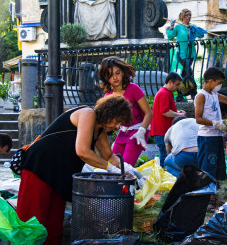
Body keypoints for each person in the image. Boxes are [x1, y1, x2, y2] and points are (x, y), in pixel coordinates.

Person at [17, 95, 138, 245]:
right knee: (32, 222)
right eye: (117, 120)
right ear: (109, 112)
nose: (117, 126)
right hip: (39, 168)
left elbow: (109, 156)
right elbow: (82, 151)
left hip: (58, 177)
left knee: (53, 227)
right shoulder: (88, 114)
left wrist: (127, 169)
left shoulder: (99, 130)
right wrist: (111, 169)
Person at [99, 56, 153, 166]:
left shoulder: (133, 88)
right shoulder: (107, 96)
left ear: (123, 72)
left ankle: (128, 183)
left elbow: (149, 113)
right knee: (114, 165)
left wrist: (142, 131)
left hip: (138, 130)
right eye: (110, 75)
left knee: (126, 166)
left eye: (117, 73)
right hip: (123, 131)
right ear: (105, 77)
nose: (115, 77)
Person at [194, 67, 227, 211]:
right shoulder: (201, 96)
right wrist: (214, 123)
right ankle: (207, 199)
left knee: (215, 167)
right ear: (210, 81)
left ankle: (212, 197)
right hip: (206, 137)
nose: (219, 85)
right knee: (207, 167)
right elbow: (198, 118)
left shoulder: (215, 94)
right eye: (218, 82)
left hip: (216, 136)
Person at [167, 8, 207, 100]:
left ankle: (180, 95)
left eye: (190, 15)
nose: (189, 17)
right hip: (181, 53)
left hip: (191, 54)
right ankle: (194, 92)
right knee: (189, 72)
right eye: (187, 15)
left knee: (185, 74)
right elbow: (170, 36)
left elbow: (201, 35)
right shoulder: (178, 27)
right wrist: (172, 26)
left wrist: (196, 29)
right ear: (182, 16)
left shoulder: (192, 26)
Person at [150, 72, 186, 167]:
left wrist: (177, 112)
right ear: (170, 82)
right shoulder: (164, 93)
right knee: (166, 157)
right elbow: (165, 111)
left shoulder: (166, 93)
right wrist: (178, 114)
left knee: (167, 156)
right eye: (177, 84)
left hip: (164, 131)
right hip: (162, 131)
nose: (178, 87)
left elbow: (167, 110)